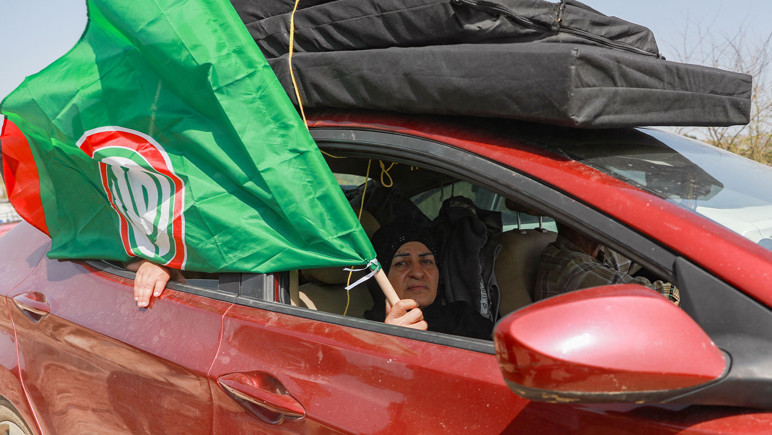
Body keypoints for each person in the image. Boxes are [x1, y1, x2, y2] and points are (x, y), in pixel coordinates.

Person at [364, 222, 493, 339]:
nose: (418, 273)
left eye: (426, 261)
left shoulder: (463, 318)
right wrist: (393, 344)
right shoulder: (362, 334)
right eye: (401, 263)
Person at [533, 223, 680, 305]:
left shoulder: (587, 252)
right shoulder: (572, 268)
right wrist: (688, 289)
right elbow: (657, 299)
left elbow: (631, 258)